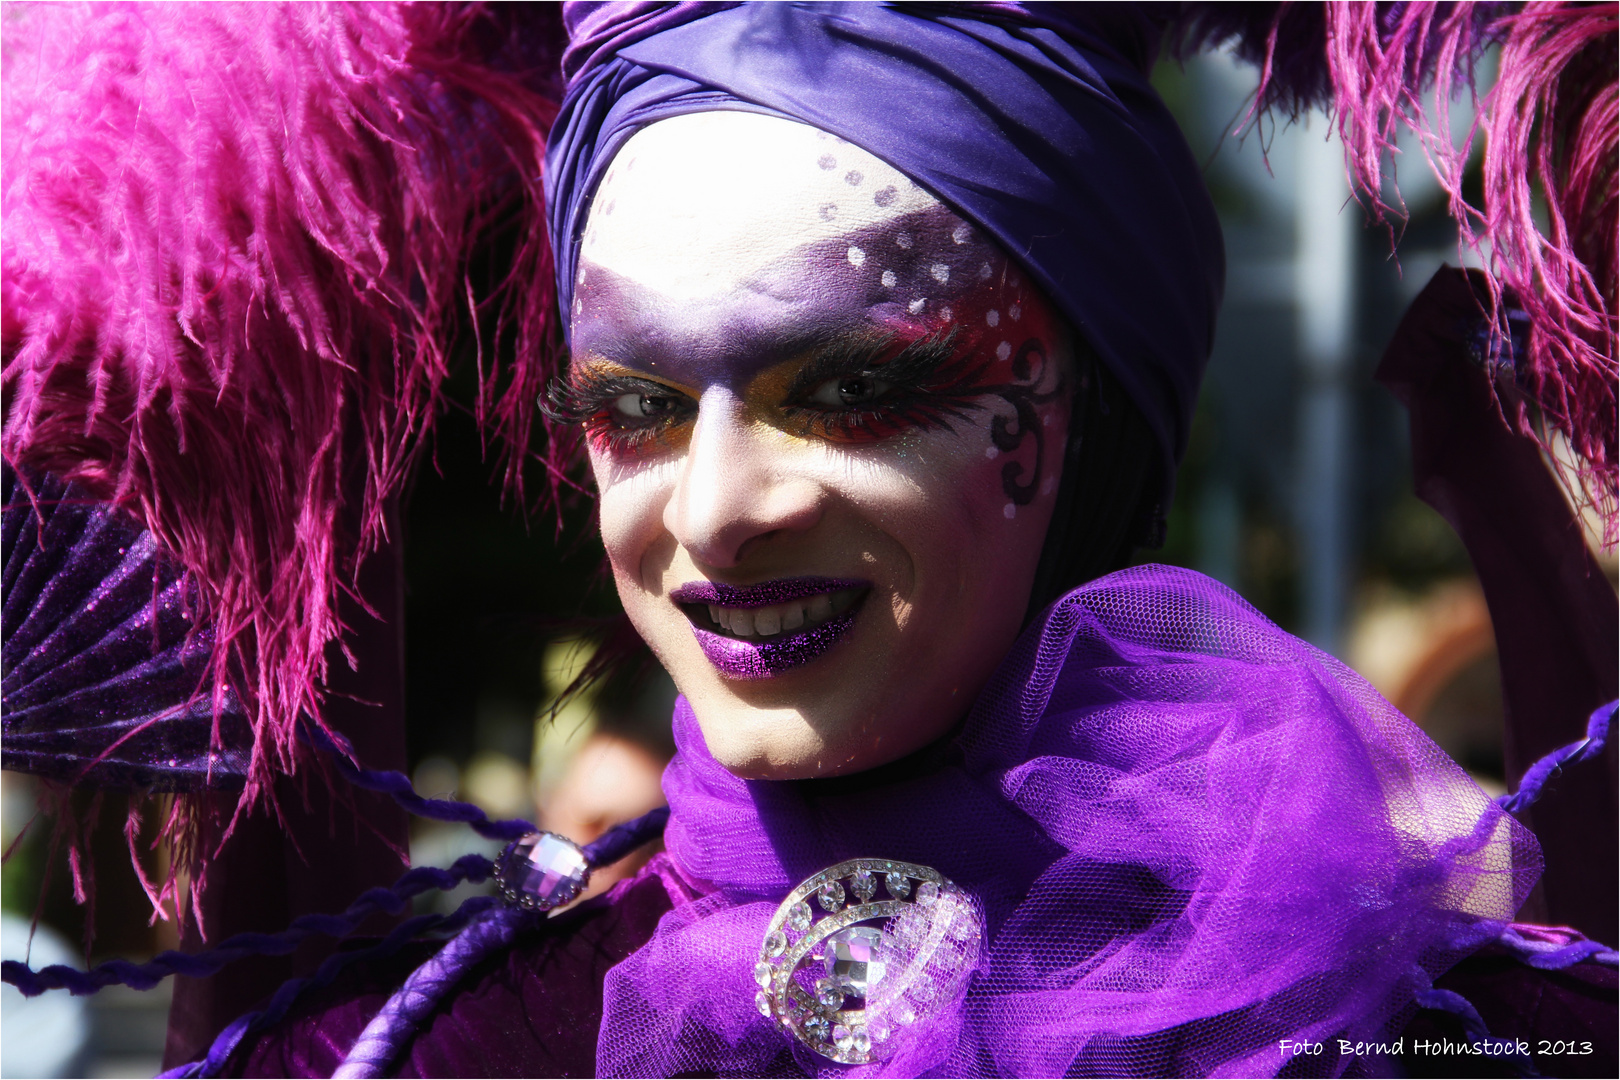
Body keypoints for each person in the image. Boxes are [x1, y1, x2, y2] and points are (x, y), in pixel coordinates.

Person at [2, 4, 1614, 1078]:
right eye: (630, 408)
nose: (711, 511)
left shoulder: (1470, 1036)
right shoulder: (435, 1049)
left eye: (852, 389)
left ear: (1088, 411)